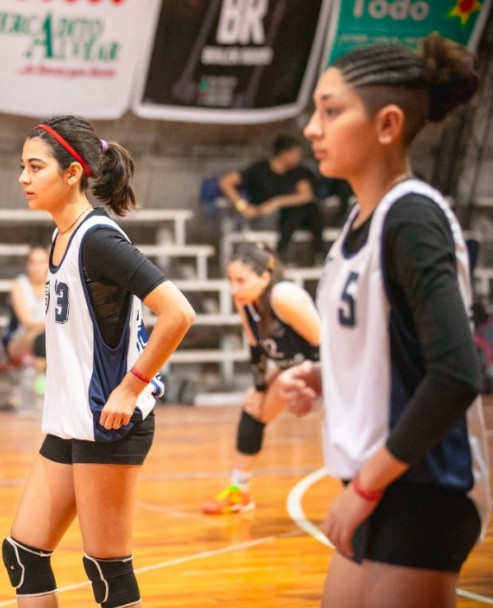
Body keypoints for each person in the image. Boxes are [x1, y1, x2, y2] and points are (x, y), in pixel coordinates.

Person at [279, 34, 489, 608]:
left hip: (422, 486)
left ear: (387, 124)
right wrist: (330, 376)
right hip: (383, 484)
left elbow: (456, 373)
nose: (311, 130)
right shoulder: (356, 222)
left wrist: (367, 485)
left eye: (331, 111)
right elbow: (396, 349)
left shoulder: (411, 217)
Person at [2, 115, 195, 608]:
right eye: (22, 166)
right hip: (71, 422)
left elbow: (178, 312)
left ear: (72, 173)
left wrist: (132, 386)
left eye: (34, 166)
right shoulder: (60, 236)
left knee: (108, 575)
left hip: (109, 422)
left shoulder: (98, 239)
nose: (23, 177)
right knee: (23, 553)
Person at [202, 243, 320, 515]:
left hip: (324, 368)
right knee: (252, 406)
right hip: (293, 369)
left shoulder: (283, 296)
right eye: (231, 281)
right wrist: (259, 387)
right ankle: (238, 491)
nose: (234, 289)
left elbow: (325, 344)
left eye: (241, 281)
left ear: (264, 278)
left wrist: (313, 382)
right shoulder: (247, 302)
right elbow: (256, 347)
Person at [219, 135, 324, 265]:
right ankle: (297, 253)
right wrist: (243, 206)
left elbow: (306, 196)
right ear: (284, 153)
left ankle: (303, 254)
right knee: (304, 210)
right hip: (263, 218)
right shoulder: (259, 169)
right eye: (295, 153)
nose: (298, 157)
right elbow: (226, 182)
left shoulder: (297, 172)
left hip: (288, 220)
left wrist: (276, 202)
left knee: (308, 208)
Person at [4, 244, 48, 414]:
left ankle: (39, 391)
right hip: (21, 338)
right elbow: (26, 321)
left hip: (46, 340)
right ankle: (37, 392)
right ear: (27, 265)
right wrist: (47, 326)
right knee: (40, 339)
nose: (37, 267)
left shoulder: (56, 283)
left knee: (43, 346)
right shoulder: (19, 285)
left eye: (42, 262)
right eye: (33, 262)